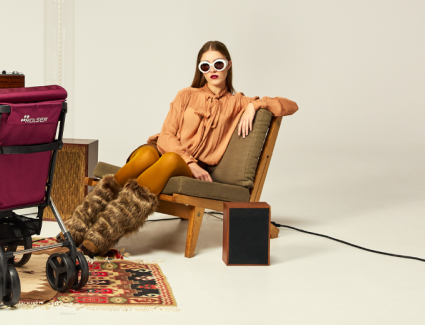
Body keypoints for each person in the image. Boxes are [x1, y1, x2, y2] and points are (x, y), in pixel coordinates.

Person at [63, 40, 298, 255]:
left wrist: (255, 105)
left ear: (228, 64)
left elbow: (290, 105)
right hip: (164, 151)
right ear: (200, 69)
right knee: (146, 155)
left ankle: (103, 233)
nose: (212, 70)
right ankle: (78, 226)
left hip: (177, 164)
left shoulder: (238, 103)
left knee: (171, 159)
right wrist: (191, 162)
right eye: (205, 66)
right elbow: (166, 135)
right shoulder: (186, 95)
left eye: (218, 64)